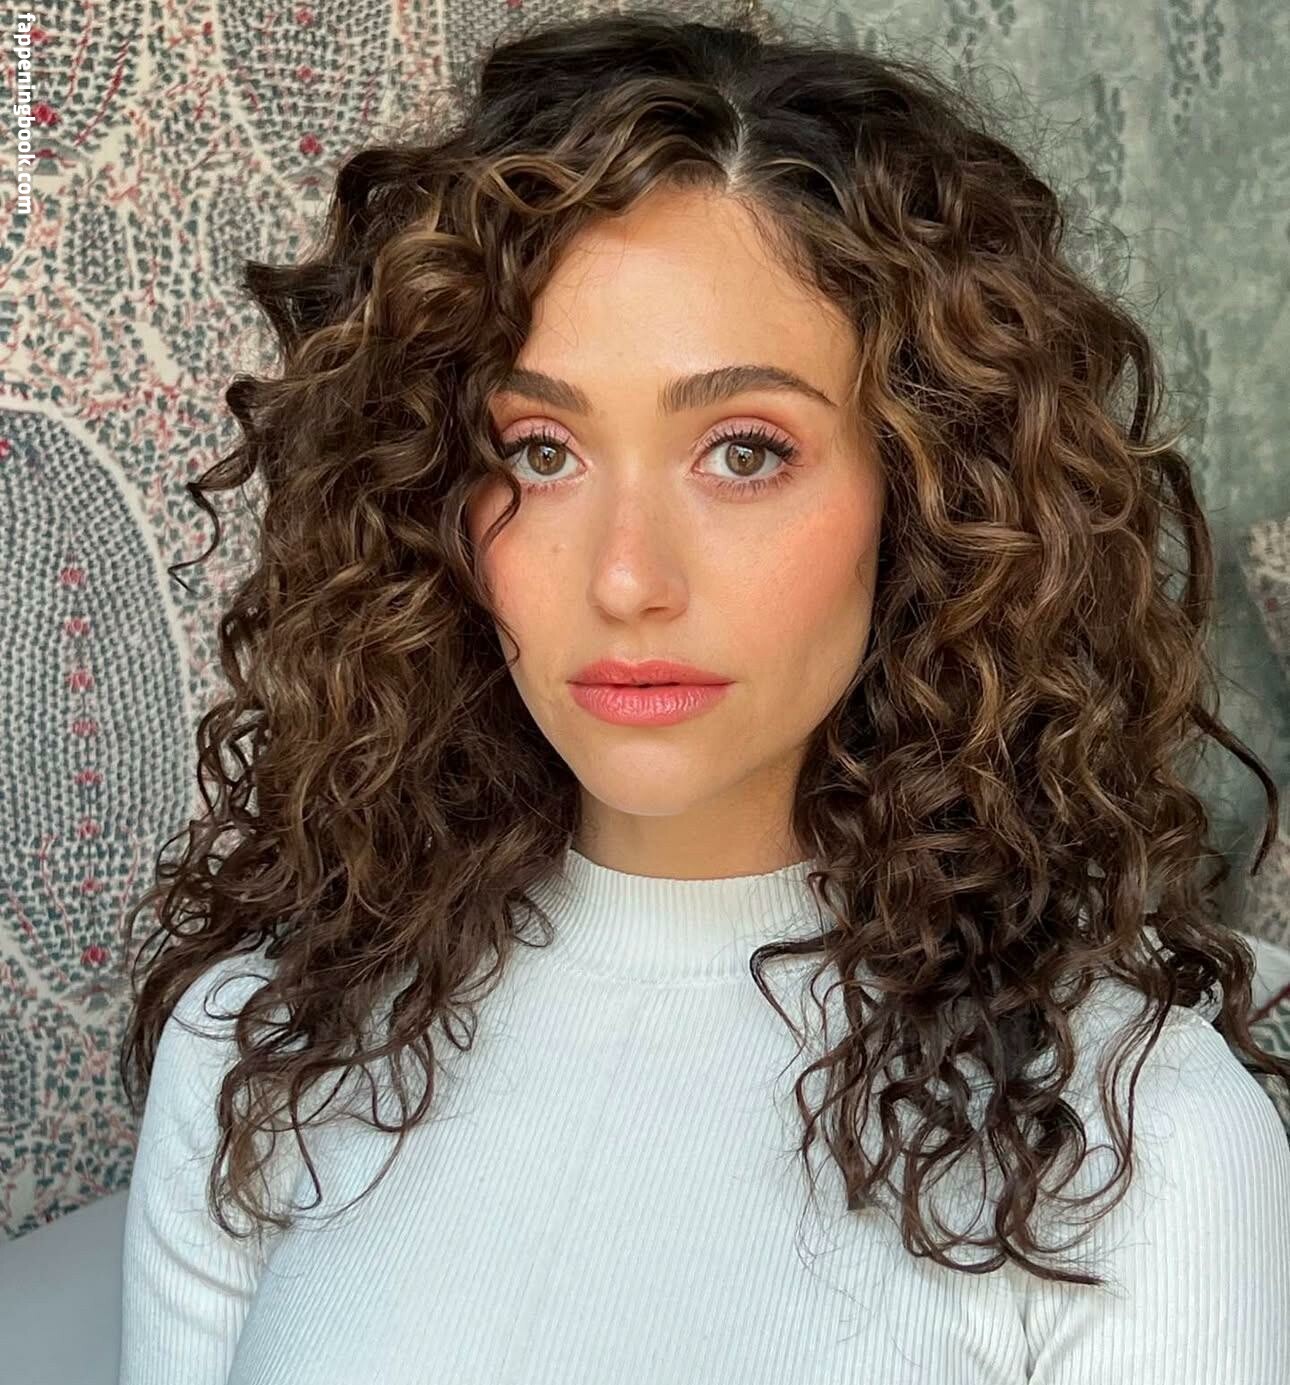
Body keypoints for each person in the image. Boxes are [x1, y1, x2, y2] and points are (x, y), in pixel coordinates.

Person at [116, 8, 1290, 1384]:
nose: (625, 578)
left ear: (926, 494)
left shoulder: (1133, 1136)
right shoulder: (259, 1049)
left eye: (742, 450)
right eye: (539, 450)